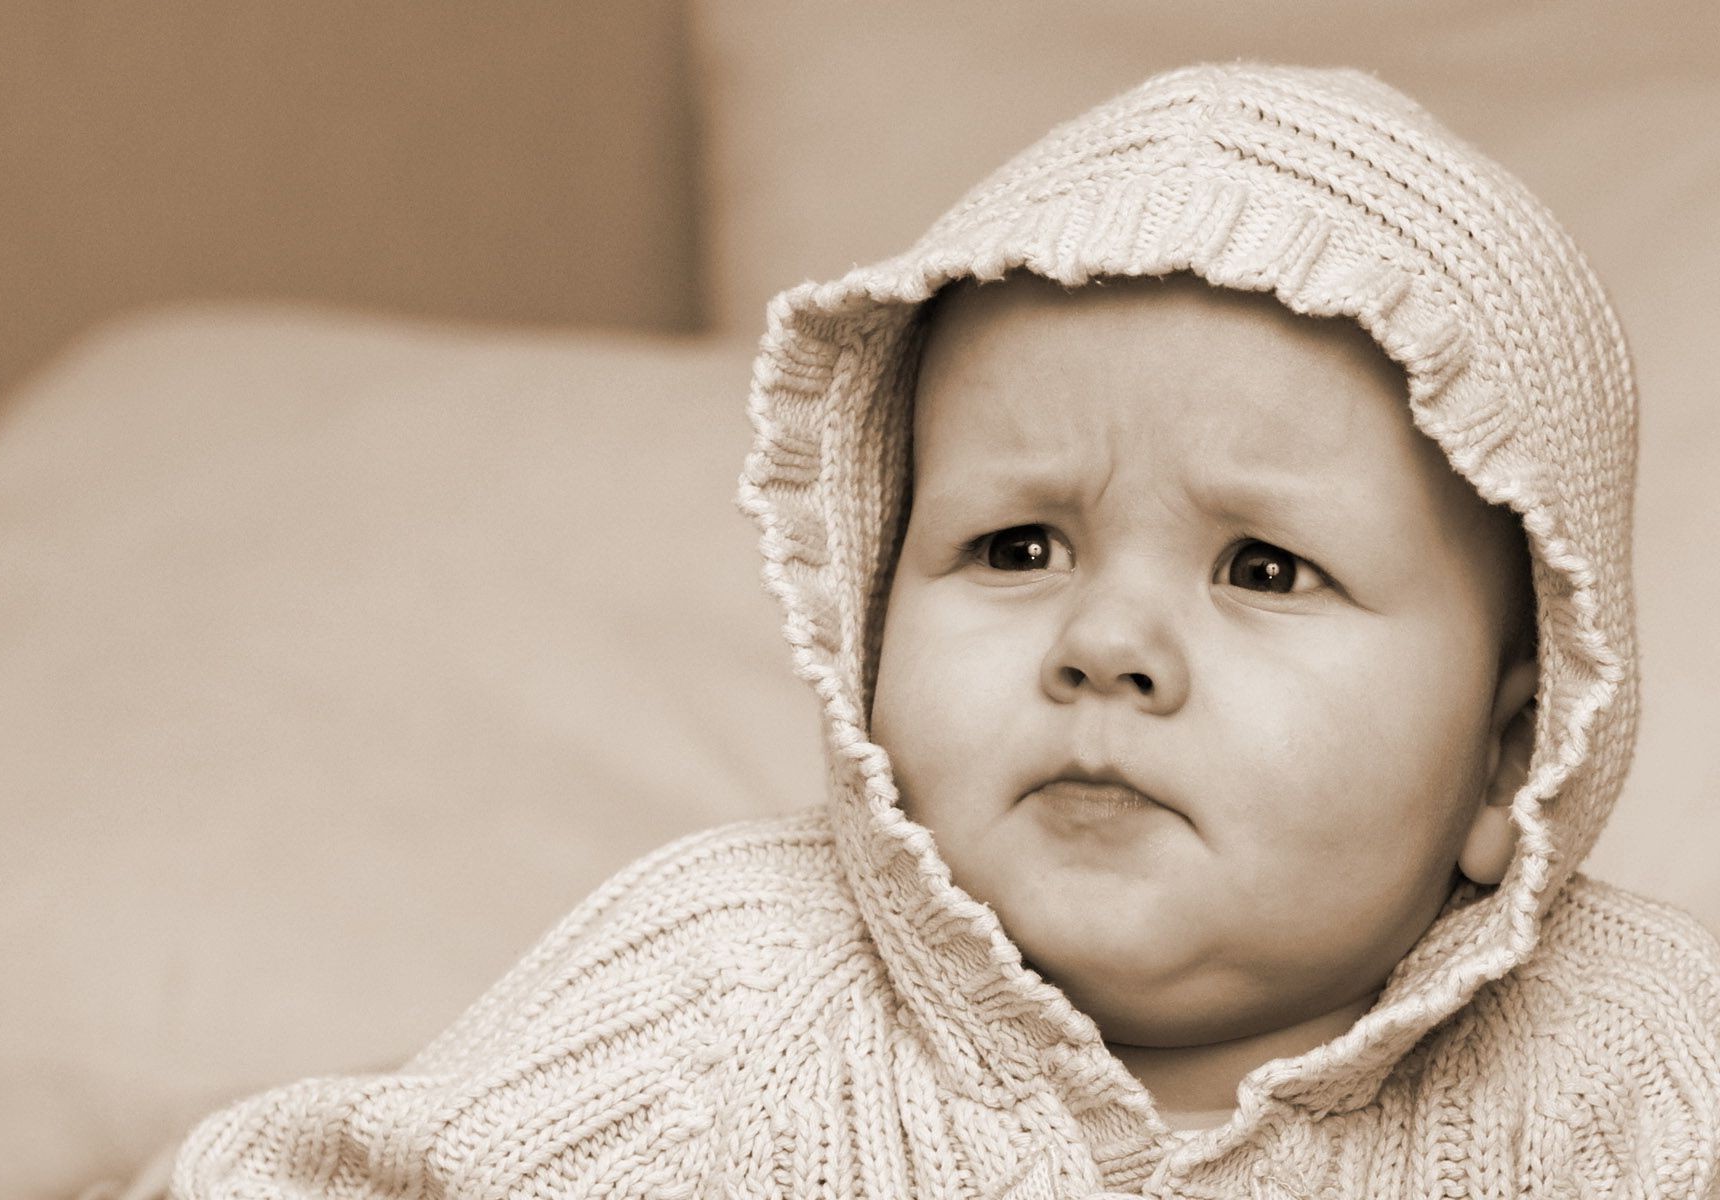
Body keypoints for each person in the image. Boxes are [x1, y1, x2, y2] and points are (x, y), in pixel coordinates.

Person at [169, 63, 1720, 1197]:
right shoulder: (725, 997)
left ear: (1517, 755)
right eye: (1017, 544)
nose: (1107, 641)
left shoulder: (1640, 1077)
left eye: (1261, 569)